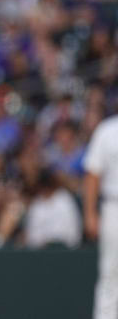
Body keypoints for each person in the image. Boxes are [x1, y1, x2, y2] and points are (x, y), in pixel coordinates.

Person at [83, 114, 118, 319]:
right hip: (114, 206)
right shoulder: (107, 130)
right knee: (110, 273)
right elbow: (92, 174)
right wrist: (90, 213)